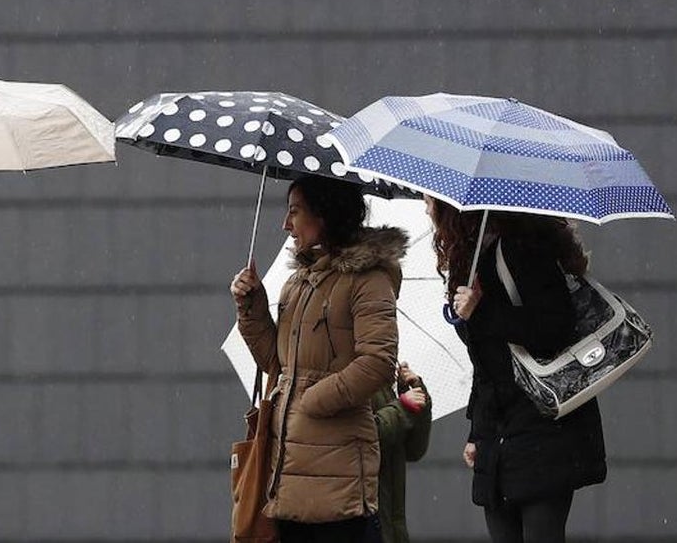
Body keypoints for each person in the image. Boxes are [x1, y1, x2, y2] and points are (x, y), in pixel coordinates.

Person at [231, 175, 405, 543]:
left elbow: (377, 362)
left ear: (324, 214)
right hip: (289, 478)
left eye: (295, 212)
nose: (286, 225)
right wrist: (252, 308)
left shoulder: (368, 281)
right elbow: (278, 367)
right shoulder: (297, 283)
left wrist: (312, 401)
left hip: (338, 482)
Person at [425, 196, 606, 543]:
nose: (426, 207)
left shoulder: (521, 250)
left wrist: (481, 313)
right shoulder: (474, 259)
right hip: (500, 433)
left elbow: (554, 329)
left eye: (430, 201)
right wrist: (478, 431)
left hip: (541, 426)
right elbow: (488, 362)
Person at [367, 361, 432, 543]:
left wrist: (418, 397)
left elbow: (413, 450)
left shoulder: (385, 381)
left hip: (394, 519)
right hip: (369, 515)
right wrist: (403, 407)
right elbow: (366, 440)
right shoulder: (356, 377)